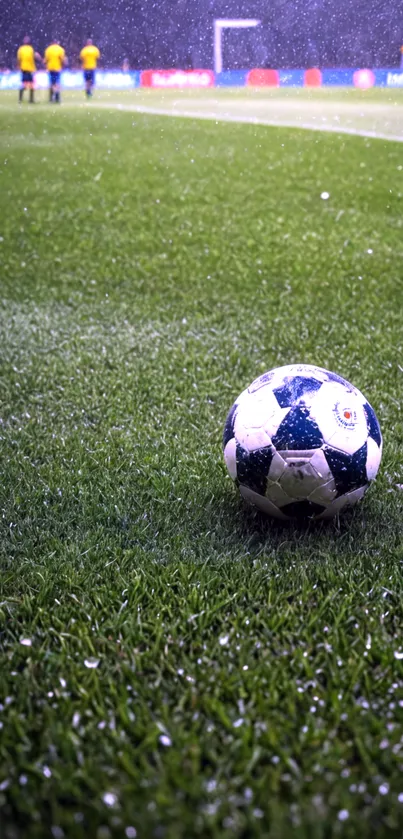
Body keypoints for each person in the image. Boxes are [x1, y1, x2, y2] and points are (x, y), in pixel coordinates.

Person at [16, 36, 42, 104]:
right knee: (31, 85)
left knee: (24, 85)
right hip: (30, 69)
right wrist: (39, 58)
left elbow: (19, 59)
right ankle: (31, 100)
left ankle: (20, 99)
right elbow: (36, 56)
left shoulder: (20, 49)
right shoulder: (31, 49)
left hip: (24, 69)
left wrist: (19, 67)